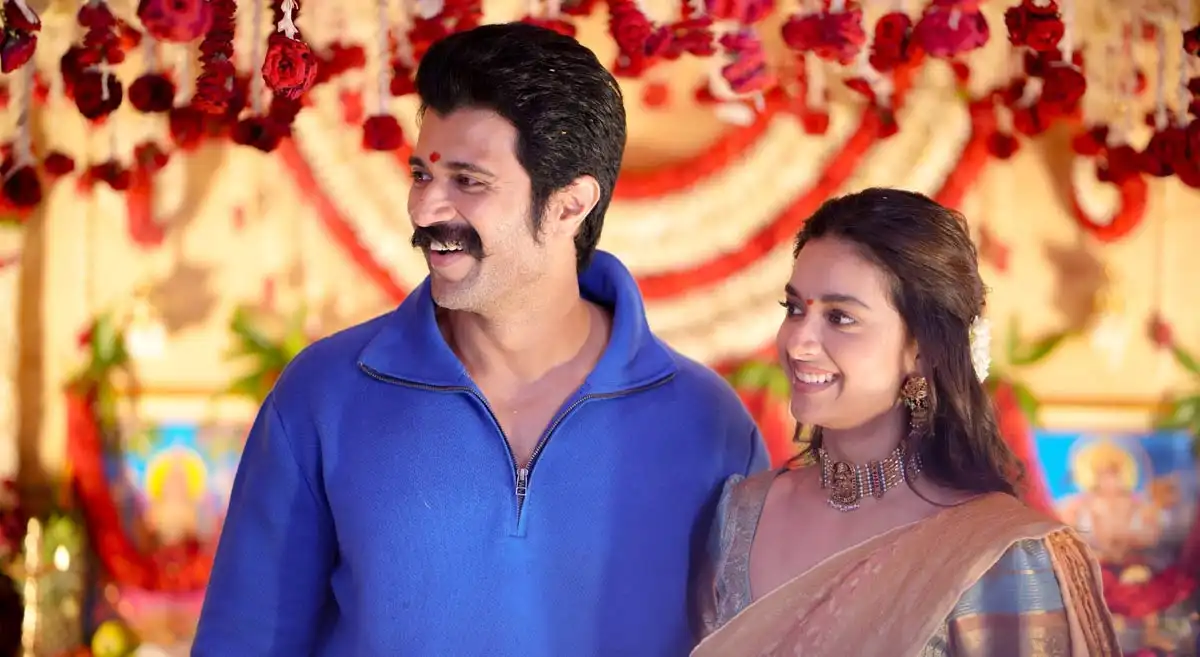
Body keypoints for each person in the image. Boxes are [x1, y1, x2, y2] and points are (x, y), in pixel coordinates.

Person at [192, 22, 768, 656]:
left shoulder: (710, 426)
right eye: (421, 175)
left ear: (570, 205)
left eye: (468, 181)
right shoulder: (322, 396)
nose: (425, 210)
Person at [691, 188, 1120, 656]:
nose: (797, 342)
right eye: (795, 309)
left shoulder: (998, 554)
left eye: (840, 317)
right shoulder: (741, 516)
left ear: (921, 351)